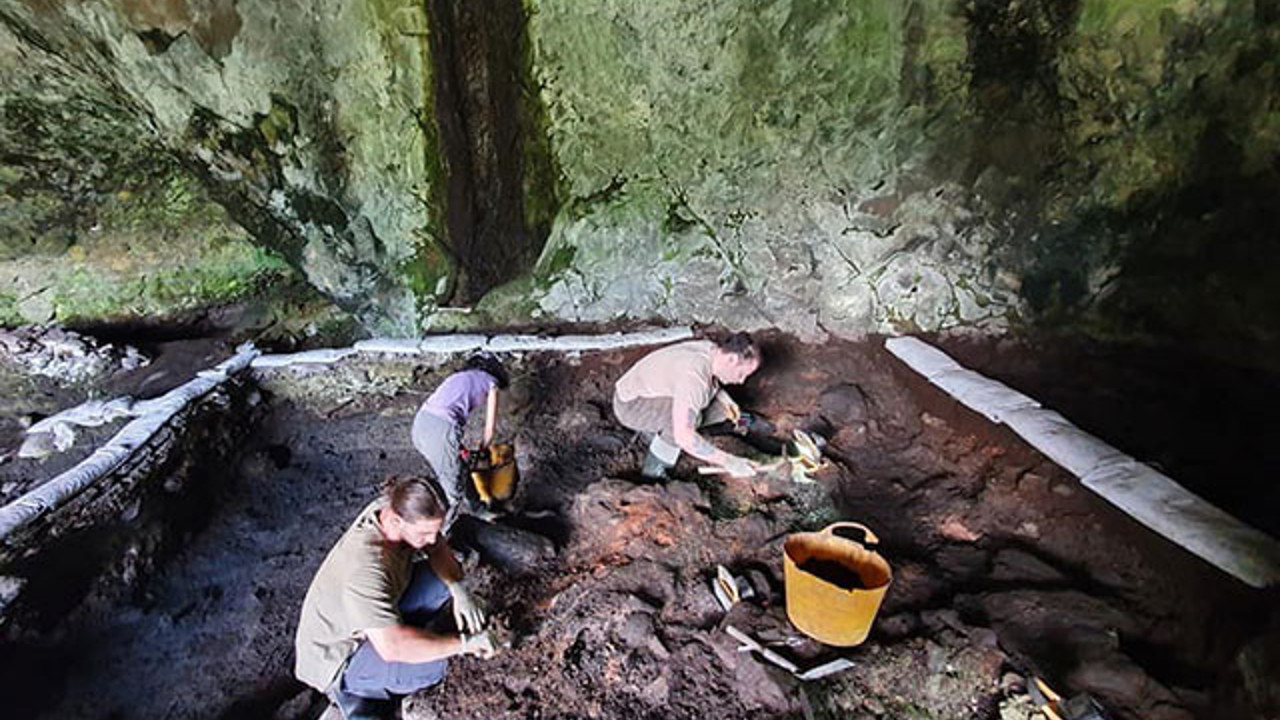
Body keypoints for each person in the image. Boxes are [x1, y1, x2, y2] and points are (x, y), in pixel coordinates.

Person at [295, 476, 496, 720]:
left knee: (441, 583)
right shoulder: (366, 568)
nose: (433, 540)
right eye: (425, 533)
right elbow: (393, 648)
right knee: (436, 667)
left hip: (377, 609)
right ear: (397, 521)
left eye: (435, 531)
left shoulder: (395, 507)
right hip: (340, 653)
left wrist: (459, 589)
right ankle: (357, 696)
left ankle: (403, 641)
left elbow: (437, 547)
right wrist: (464, 644)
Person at [612, 332, 762, 479]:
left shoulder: (712, 351)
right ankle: (653, 472)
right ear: (732, 359)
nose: (741, 381)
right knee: (688, 421)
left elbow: (712, 383)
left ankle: (743, 422)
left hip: (658, 389)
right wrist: (730, 462)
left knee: (725, 409)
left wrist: (727, 401)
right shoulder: (694, 377)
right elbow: (684, 436)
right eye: (741, 374)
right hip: (632, 405)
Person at [411, 353, 509, 526]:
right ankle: (441, 533)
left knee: (460, 468)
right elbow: (490, 429)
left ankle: (479, 509)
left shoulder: (459, 376)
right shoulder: (491, 383)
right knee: (453, 490)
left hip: (420, 426)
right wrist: (482, 448)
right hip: (441, 429)